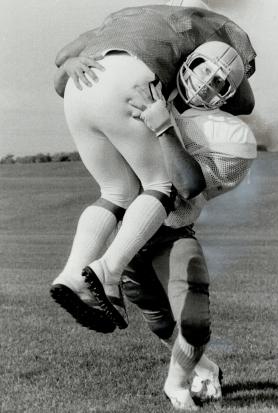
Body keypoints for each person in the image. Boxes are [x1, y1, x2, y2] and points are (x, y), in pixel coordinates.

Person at [51, 2, 257, 334]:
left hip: (80, 84)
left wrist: (71, 64)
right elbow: (245, 102)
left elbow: (61, 62)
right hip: (129, 81)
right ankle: (107, 273)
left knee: (116, 191)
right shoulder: (194, 23)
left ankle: (72, 273)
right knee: (161, 186)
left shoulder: (122, 18)